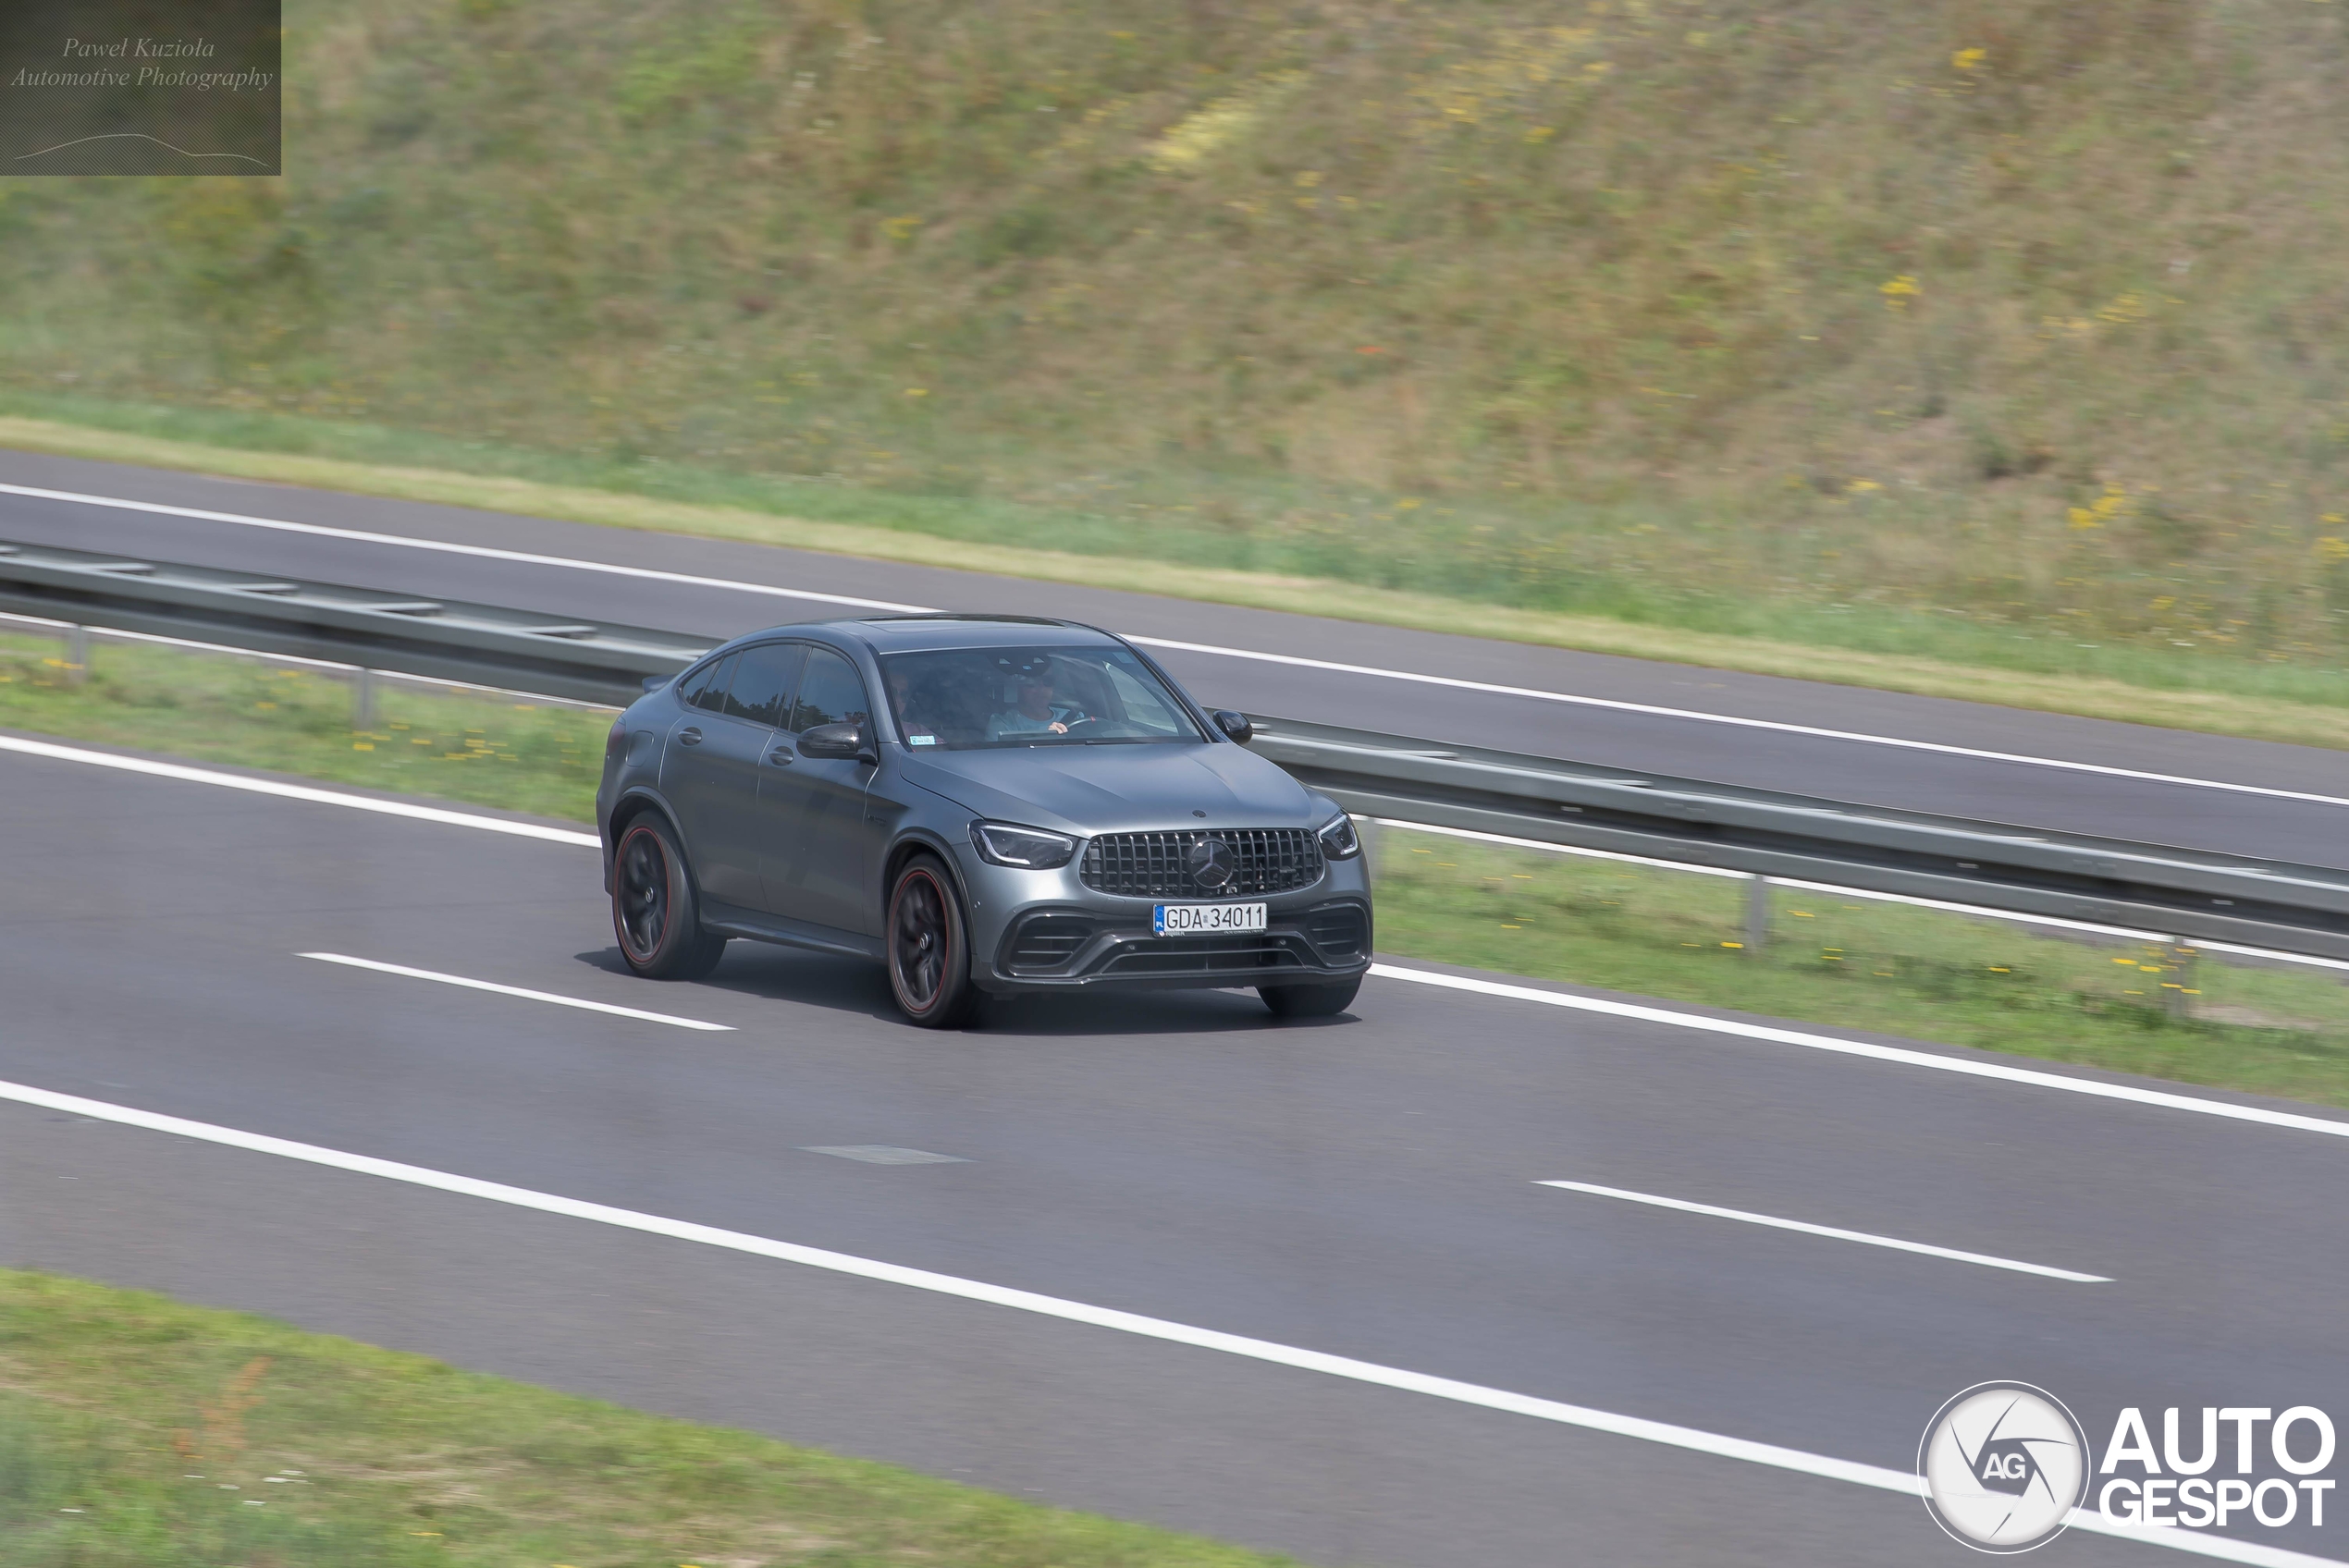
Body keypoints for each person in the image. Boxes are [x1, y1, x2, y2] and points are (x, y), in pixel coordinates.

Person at [987, 661, 1083, 741]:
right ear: (1018, 688)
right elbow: (997, 759)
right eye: (1031, 683)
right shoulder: (1003, 723)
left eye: (1047, 681)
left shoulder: (1075, 718)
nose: (1041, 689)